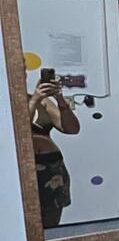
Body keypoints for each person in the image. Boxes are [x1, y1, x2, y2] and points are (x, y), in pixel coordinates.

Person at [28, 73, 80, 228]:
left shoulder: (42, 101)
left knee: (51, 223)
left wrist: (59, 99)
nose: (22, 74)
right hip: (25, 169)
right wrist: (34, 101)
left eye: (23, 70)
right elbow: (18, 131)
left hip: (53, 168)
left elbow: (72, 129)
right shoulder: (6, 104)